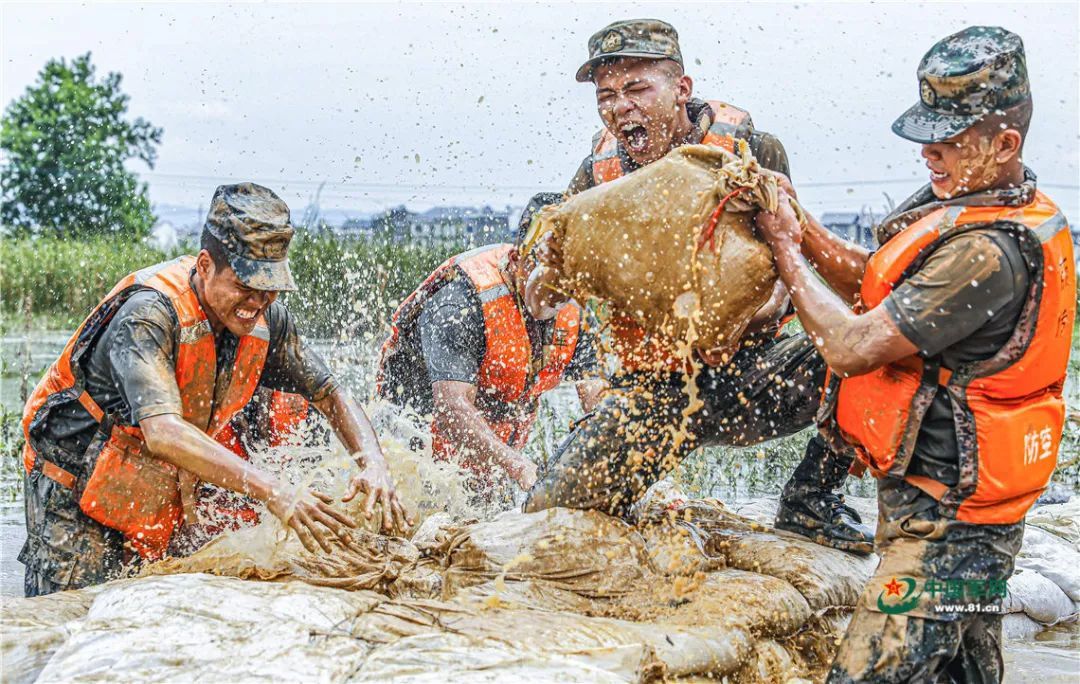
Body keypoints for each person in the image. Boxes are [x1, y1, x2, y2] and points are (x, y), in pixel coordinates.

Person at [754, 27, 1074, 682]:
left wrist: (786, 253)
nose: (927, 151)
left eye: (949, 139)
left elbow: (849, 347)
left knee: (866, 673)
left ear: (1005, 144)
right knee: (965, 672)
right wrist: (804, 227)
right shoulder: (975, 202)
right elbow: (876, 279)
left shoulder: (986, 253)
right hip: (968, 520)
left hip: (944, 537)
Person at [523, 18, 872, 555]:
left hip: (756, 368)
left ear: (681, 88)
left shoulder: (750, 150)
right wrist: (546, 276)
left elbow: (784, 263)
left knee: (876, 353)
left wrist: (738, 322)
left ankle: (811, 497)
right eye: (607, 96)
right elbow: (542, 299)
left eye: (638, 88)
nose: (621, 108)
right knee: (549, 512)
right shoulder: (597, 176)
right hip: (657, 387)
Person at [19, 183, 409, 597]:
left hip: (145, 485)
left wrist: (374, 465)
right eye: (245, 285)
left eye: (270, 287)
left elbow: (331, 393)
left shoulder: (269, 319)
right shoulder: (149, 315)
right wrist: (275, 491)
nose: (258, 301)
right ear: (205, 265)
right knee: (70, 620)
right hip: (73, 488)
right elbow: (164, 431)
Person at [376, 195, 603, 504]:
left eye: (566, 279)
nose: (554, 292)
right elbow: (451, 411)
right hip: (417, 444)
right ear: (517, 258)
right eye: (545, 273)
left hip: (493, 457)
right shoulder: (461, 301)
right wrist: (519, 466)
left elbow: (599, 400)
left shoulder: (575, 310)